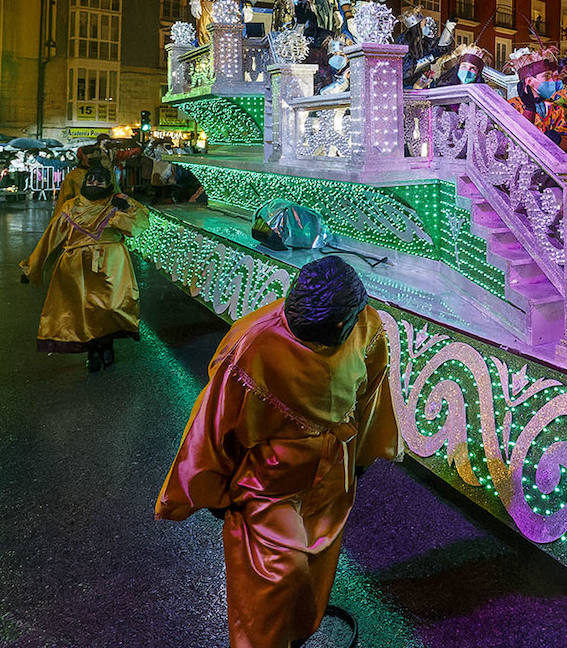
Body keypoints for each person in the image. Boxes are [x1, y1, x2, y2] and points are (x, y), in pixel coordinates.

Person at [156, 256, 399, 648]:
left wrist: (364, 455)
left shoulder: (366, 324)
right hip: (269, 481)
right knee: (275, 573)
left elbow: (371, 394)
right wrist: (211, 489)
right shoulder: (253, 342)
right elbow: (214, 423)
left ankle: (298, 630)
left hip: (332, 469)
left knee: (318, 557)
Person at [20, 166, 147, 371]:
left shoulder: (117, 203)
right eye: (91, 180)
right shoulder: (71, 206)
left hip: (111, 266)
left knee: (111, 308)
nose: (94, 183)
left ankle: (107, 345)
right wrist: (33, 266)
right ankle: (93, 351)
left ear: (109, 183)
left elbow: (137, 226)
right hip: (75, 268)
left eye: (100, 180)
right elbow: (50, 239)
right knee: (81, 312)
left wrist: (126, 207)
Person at [507, 44, 567, 153]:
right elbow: (511, 141)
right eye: (547, 77)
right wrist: (529, 111)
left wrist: (560, 140)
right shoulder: (512, 107)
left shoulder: (555, 108)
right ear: (530, 81)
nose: (552, 82)